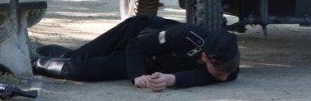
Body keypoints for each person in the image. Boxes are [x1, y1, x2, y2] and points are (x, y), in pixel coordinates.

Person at [31, 15, 240, 91]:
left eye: (227, 71)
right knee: (78, 57)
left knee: (84, 70)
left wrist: (170, 79)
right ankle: (35, 61)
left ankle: (41, 61)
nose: (224, 77)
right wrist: (137, 75)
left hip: (153, 62)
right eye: (220, 71)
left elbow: (206, 76)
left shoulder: (227, 61)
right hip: (137, 36)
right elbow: (137, 45)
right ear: (205, 57)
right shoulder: (187, 36)